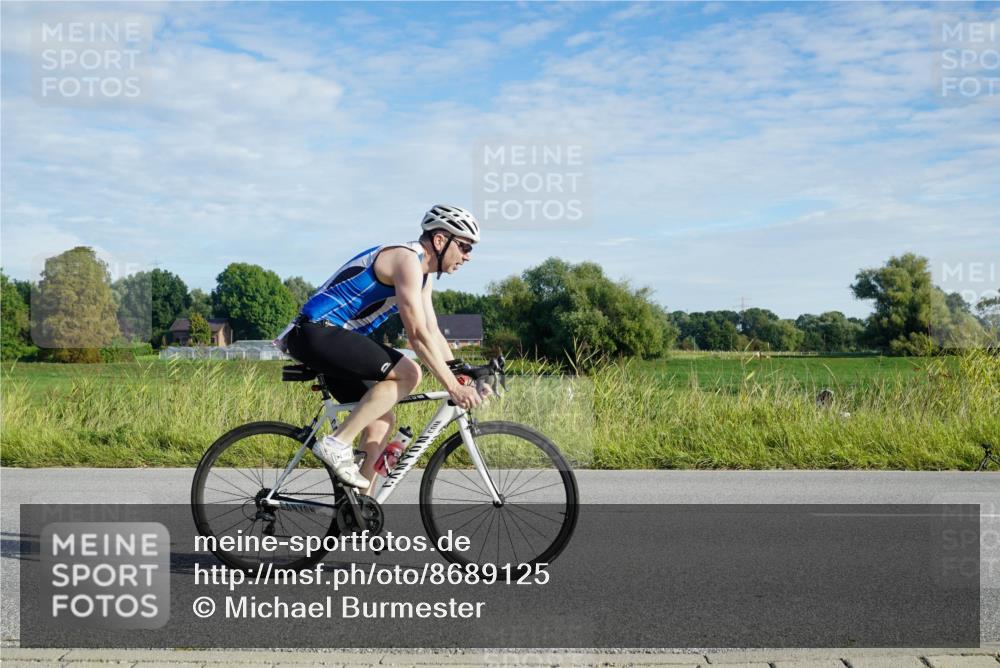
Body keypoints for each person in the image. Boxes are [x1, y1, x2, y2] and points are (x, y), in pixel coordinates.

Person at [274, 205, 487, 492]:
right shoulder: (406, 260)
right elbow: (417, 335)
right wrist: (452, 386)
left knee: (380, 421)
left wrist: (459, 373)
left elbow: (432, 330)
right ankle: (336, 443)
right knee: (409, 374)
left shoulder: (422, 275)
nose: (467, 256)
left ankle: (358, 516)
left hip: (332, 338)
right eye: (463, 246)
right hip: (315, 331)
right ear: (440, 240)